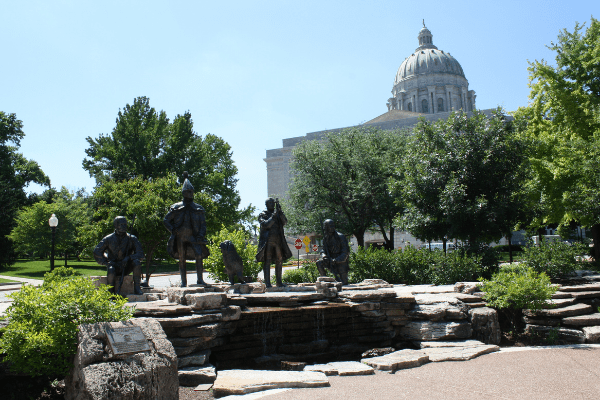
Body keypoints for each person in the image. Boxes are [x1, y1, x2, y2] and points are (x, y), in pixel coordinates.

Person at [164, 171, 210, 287]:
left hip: (194, 236)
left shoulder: (198, 208)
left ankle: (200, 280)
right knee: (182, 258)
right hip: (180, 237)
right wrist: (172, 230)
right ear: (184, 193)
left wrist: (200, 235)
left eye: (191, 192)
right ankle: (184, 282)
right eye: (188, 192)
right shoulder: (176, 207)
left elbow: (203, 224)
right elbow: (166, 220)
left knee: (199, 255)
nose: (190, 194)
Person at [94, 216, 144, 295]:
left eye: (125, 224)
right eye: (121, 224)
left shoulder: (132, 238)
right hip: (114, 266)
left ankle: (137, 288)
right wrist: (106, 262)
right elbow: (97, 252)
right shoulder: (108, 239)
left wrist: (129, 258)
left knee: (137, 263)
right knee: (111, 268)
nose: (124, 227)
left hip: (127, 266)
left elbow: (141, 254)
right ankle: (111, 293)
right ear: (116, 226)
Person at [256, 198, 292, 287]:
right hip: (267, 241)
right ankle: (267, 283)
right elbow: (266, 225)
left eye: (273, 203)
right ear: (266, 205)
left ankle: (279, 282)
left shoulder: (278, 214)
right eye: (270, 203)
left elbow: (285, 222)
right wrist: (274, 216)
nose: (272, 204)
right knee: (267, 261)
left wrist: (280, 212)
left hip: (278, 241)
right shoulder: (263, 214)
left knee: (279, 260)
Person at [316, 219, 349, 285]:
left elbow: (345, 253)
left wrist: (335, 260)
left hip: (340, 261)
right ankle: (324, 281)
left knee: (344, 283)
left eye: (333, 225)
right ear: (326, 228)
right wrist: (324, 256)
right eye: (329, 226)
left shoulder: (341, 236)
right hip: (330, 259)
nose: (332, 227)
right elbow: (323, 250)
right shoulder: (325, 238)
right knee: (319, 263)